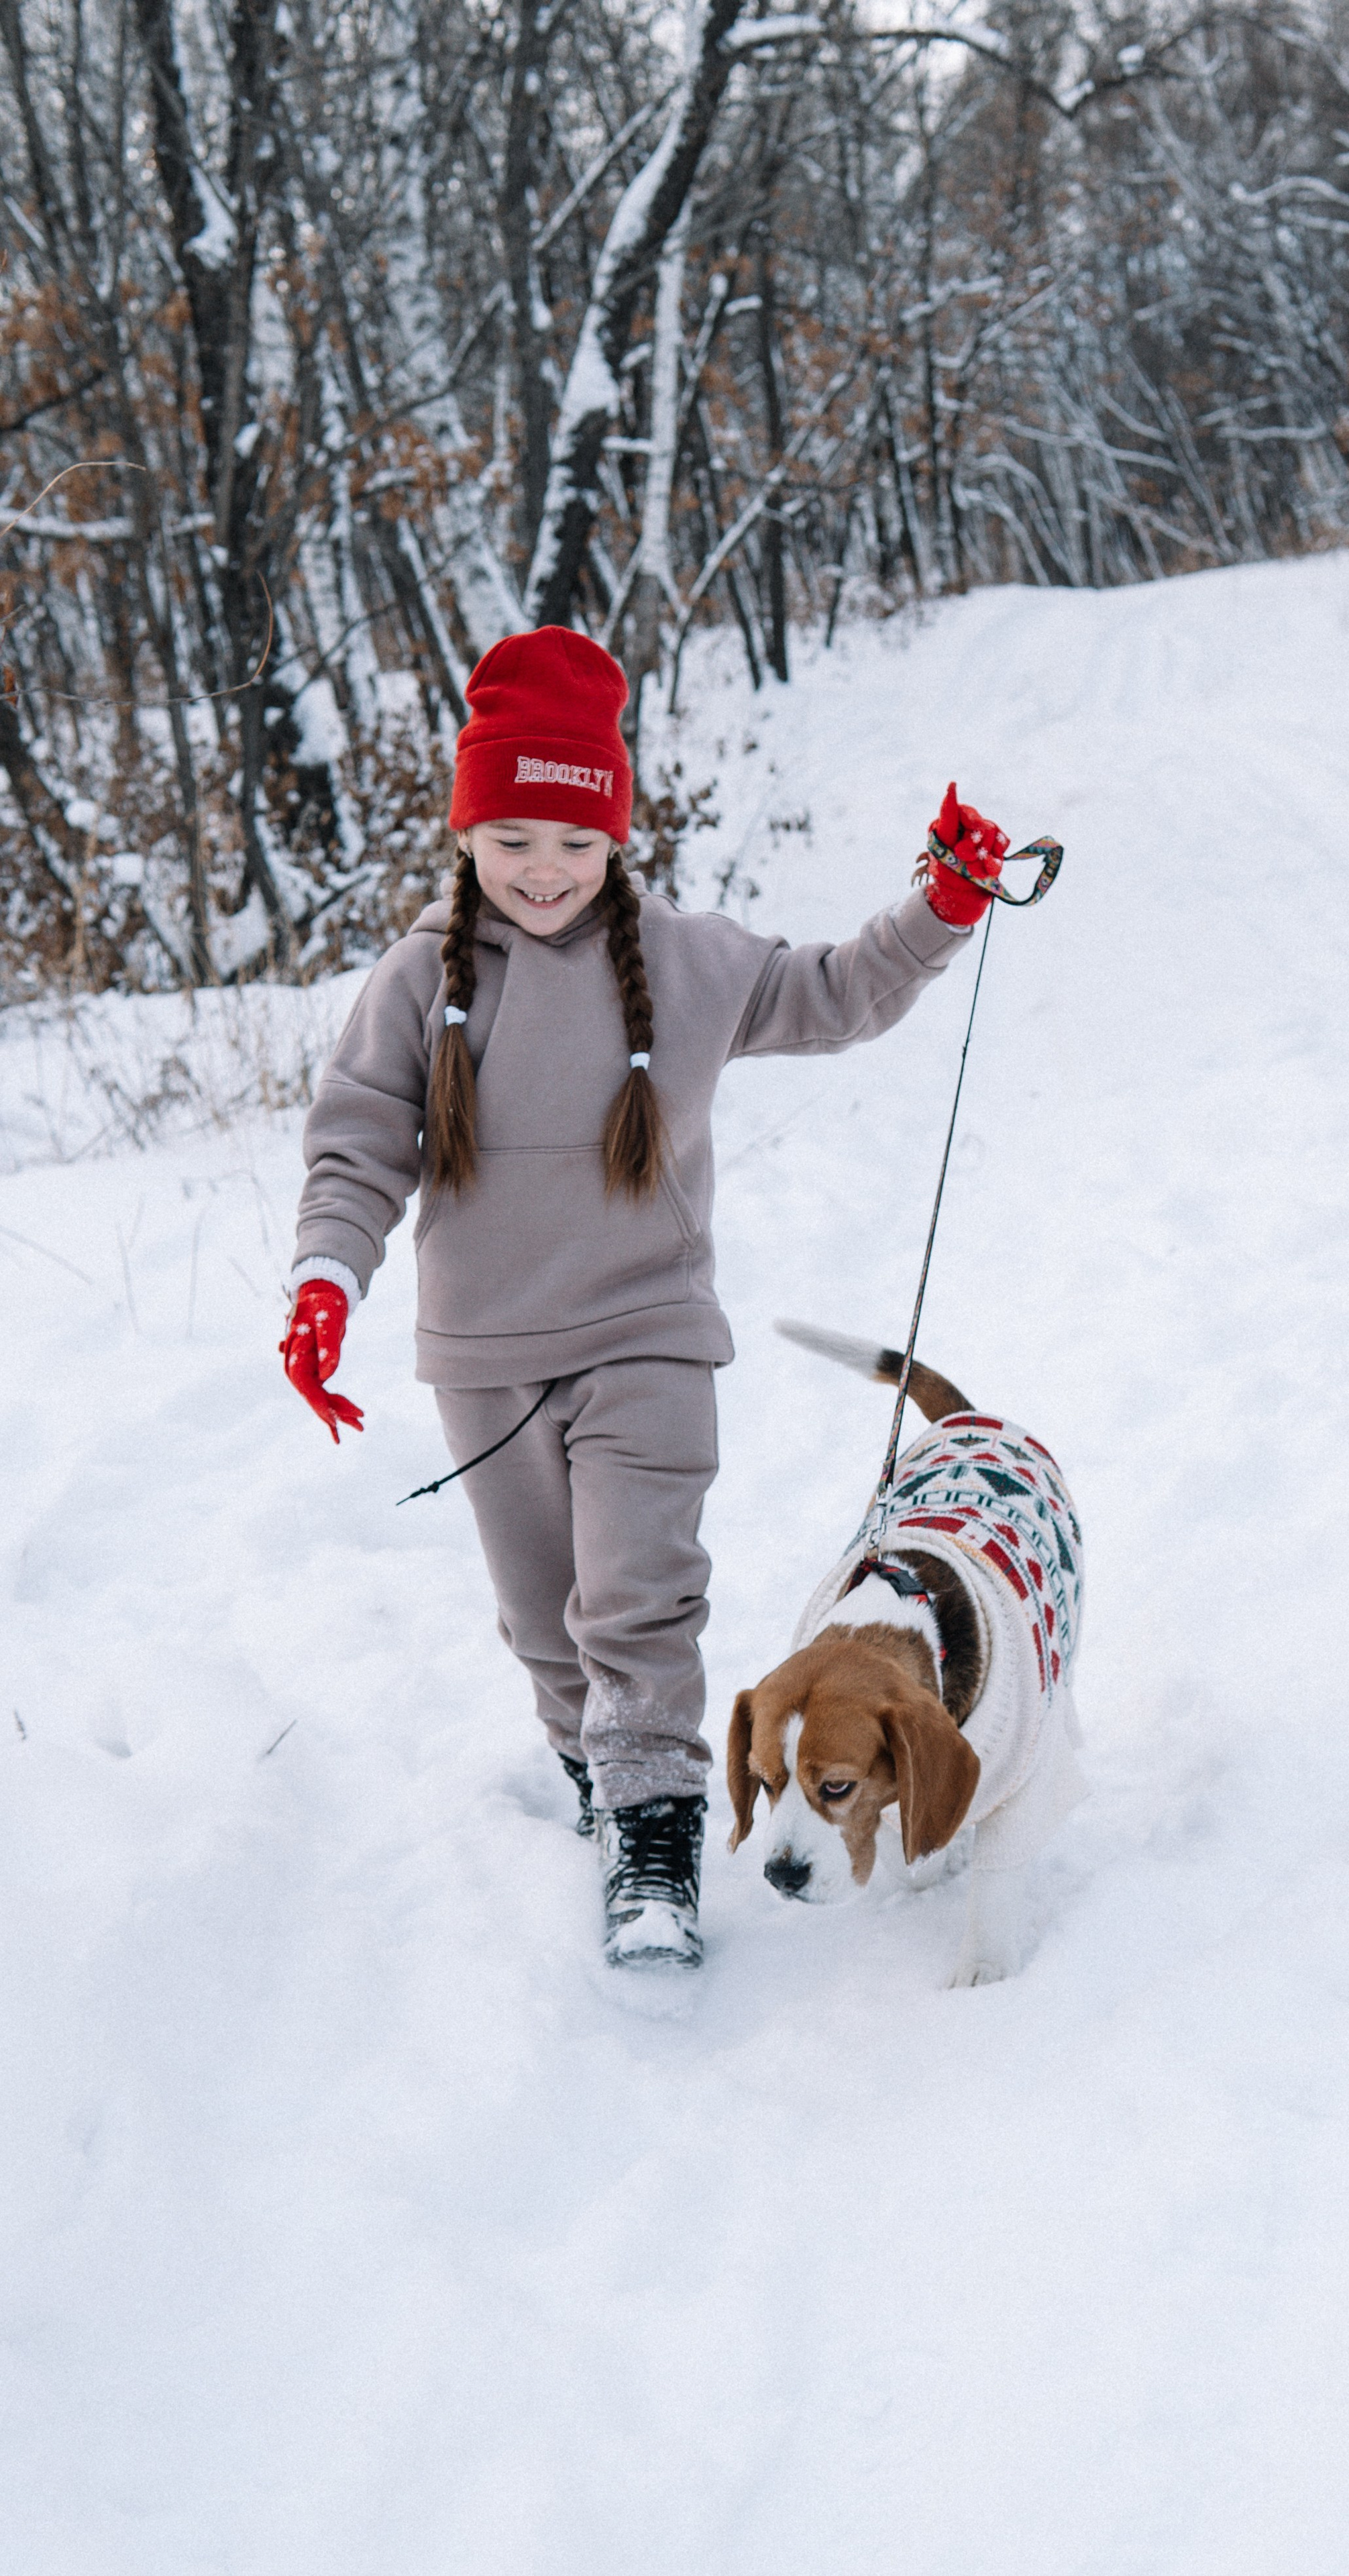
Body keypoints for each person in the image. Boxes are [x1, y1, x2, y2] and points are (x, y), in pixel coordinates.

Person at [280, 626, 1007, 1972]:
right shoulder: (413, 986)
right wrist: (327, 1282)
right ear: (467, 837)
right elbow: (355, 1144)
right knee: (542, 1614)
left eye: (571, 839)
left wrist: (941, 910)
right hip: (484, 1359)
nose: (542, 870)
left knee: (635, 1597)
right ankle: (596, 1772)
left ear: (616, 834)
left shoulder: (686, 961)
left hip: (647, 1339)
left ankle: (658, 1829)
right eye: (511, 840)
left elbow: (837, 992)